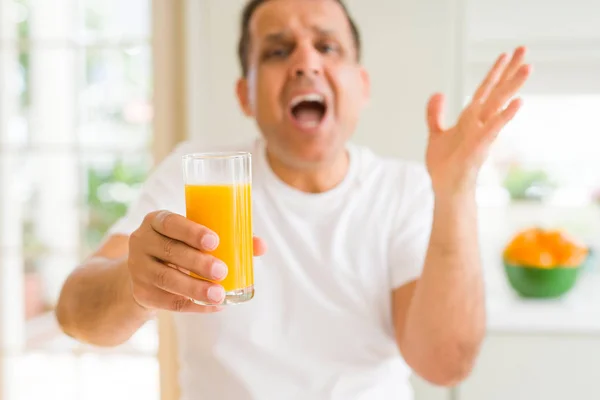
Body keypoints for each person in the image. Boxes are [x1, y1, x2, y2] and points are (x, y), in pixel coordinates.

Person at [56, 0, 532, 398]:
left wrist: (456, 191)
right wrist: (135, 284)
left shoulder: (404, 190)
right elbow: (75, 313)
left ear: (361, 87)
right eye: (278, 50)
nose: (306, 62)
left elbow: (444, 363)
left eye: (328, 46)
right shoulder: (198, 172)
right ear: (245, 95)